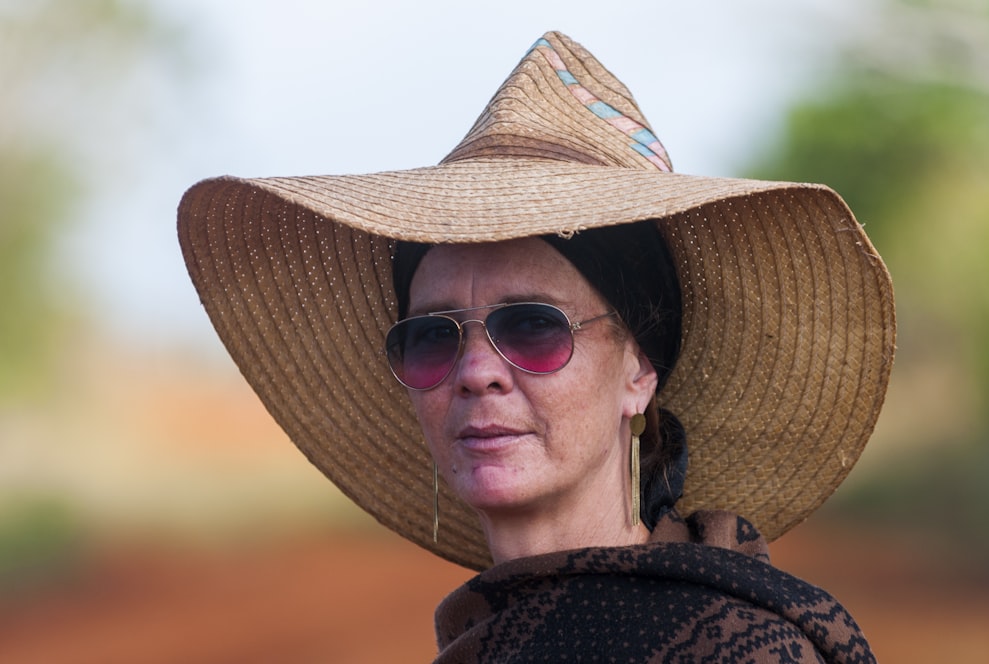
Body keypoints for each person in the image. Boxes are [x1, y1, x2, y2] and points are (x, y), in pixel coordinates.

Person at [178, 31, 894, 662]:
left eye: (533, 327)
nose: (477, 373)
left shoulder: (734, 648)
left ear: (638, 370)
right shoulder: (488, 639)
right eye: (433, 338)